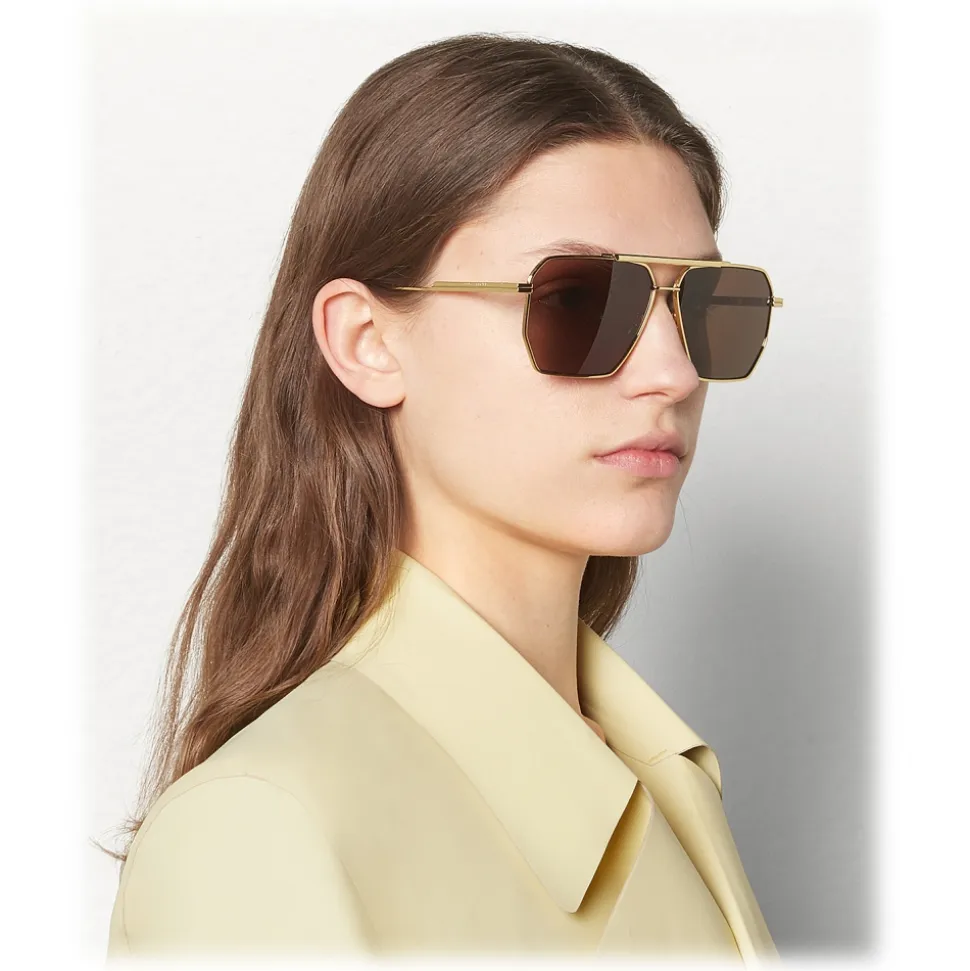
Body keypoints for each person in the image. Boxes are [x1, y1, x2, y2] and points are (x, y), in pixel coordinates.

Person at [98, 31, 784, 962]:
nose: (672, 372)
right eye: (577, 301)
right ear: (367, 341)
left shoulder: (664, 773)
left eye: (702, 302)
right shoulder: (266, 825)